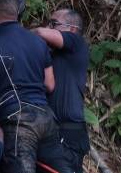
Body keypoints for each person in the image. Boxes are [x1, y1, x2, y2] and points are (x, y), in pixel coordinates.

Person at [0, 0, 70, 173]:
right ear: (16, 13)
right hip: (46, 118)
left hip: (18, 123)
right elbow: (49, 84)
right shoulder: (38, 42)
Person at [32, 9, 90, 173]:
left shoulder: (77, 43)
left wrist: (18, 36)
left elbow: (40, 32)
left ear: (72, 30)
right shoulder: (51, 54)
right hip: (53, 129)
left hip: (68, 131)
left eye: (54, 24)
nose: (49, 26)